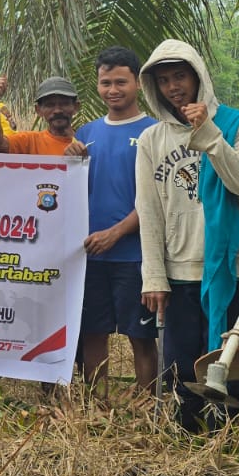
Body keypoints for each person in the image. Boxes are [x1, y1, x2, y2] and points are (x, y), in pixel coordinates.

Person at [135, 40, 239, 430]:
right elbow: (150, 213)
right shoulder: (152, 140)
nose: (173, 87)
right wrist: (154, 276)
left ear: (198, 76)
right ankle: (186, 443)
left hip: (235, 267)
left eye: (180, 76)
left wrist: (208, 133)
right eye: (163, 80)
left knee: (229, 365)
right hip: (180, 273)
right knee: (180, 367)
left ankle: (225, 441)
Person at [66, 47, 157, 397]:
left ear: (137, 83)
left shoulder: (153, 131)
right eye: (106, 83)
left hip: (135, 256)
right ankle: (97, 403)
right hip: (91, 255)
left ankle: (147, 404)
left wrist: (116, 233)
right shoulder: (85, 134)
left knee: (141, 335)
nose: (113, 90)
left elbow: (155, 200)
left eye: (121, 82)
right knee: (92, 331)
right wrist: (68, 161)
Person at [0, 75, 82, 155]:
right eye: (50, 105)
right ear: (38, 110)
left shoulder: (87, 141)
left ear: (76, 107)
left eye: (64, 103)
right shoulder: (30, 142)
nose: (57, 110)